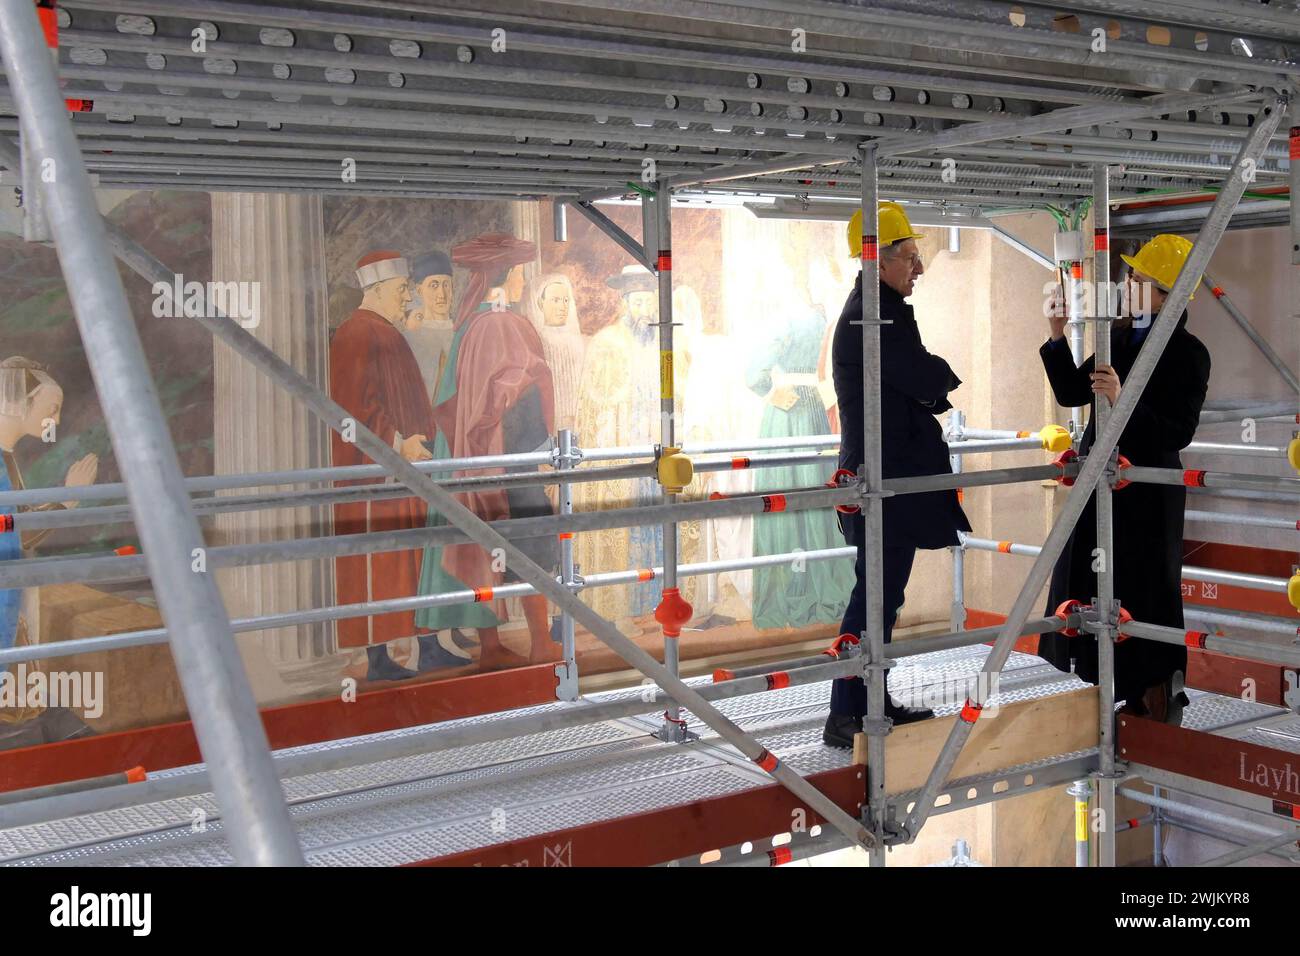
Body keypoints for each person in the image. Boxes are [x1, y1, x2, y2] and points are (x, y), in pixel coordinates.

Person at [1037, 233, 1211, 725]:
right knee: (1095, 580)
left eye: (1138, 279)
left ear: (1166, 294)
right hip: (1103, 480)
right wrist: (1057, 334)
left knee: (1146, 589)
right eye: (1129, 276)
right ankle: (1104, 682)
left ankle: (1155, 693)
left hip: (1147, 495)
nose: (1127, 284)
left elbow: (1178, 432)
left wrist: (1122, 400)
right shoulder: (1119, 335)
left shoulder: (1189, 354)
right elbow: (1074, 392)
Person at [823, 202, 971, 748]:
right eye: (910, 256)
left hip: (884, 479)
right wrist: (936, 382)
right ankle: (848, 714)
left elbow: (917, 381)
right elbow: (920, 374)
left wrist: (928, 384)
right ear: (878, 258)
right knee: (876, 597)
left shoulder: (878, 308)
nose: (920, 268)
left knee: (880, 596)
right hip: (881, 482)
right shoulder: (876, 313)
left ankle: (867, 706)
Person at [423, 233, 561, 668]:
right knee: (532, 547)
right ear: (507, 275)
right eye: (520, 272)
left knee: (487, 548)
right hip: (510, 460)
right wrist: (542, 452)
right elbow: (507, 398)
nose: (523, 280)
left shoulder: (473, 323)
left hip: (482, 457)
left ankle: (492, 646)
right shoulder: (503, 324)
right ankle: (541, 642)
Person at [330, 250, 446, 682]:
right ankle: (379, 658)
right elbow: (355, 407)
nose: (408, 301)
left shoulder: (382, 331)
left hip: (405, 467)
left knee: (415, 558)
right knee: (379, 564)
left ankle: (429, 646)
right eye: (401, 292)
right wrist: (398, 443)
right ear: (376, 291)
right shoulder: (356, 333)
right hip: (375, 473)